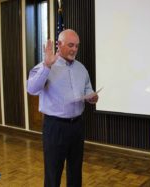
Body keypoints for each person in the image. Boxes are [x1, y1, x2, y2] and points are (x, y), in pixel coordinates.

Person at [27, 29, 98, 187]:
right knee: (53, 173)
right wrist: (46, 66)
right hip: (55, 127)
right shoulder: (47, 65)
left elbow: (87, 89)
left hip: (77, 127)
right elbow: (31, 89)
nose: (74, 49)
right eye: (71, 45)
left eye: (77, 46)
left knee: (75, 171)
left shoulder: (81, 68)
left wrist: (92, 97)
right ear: (59, 44)